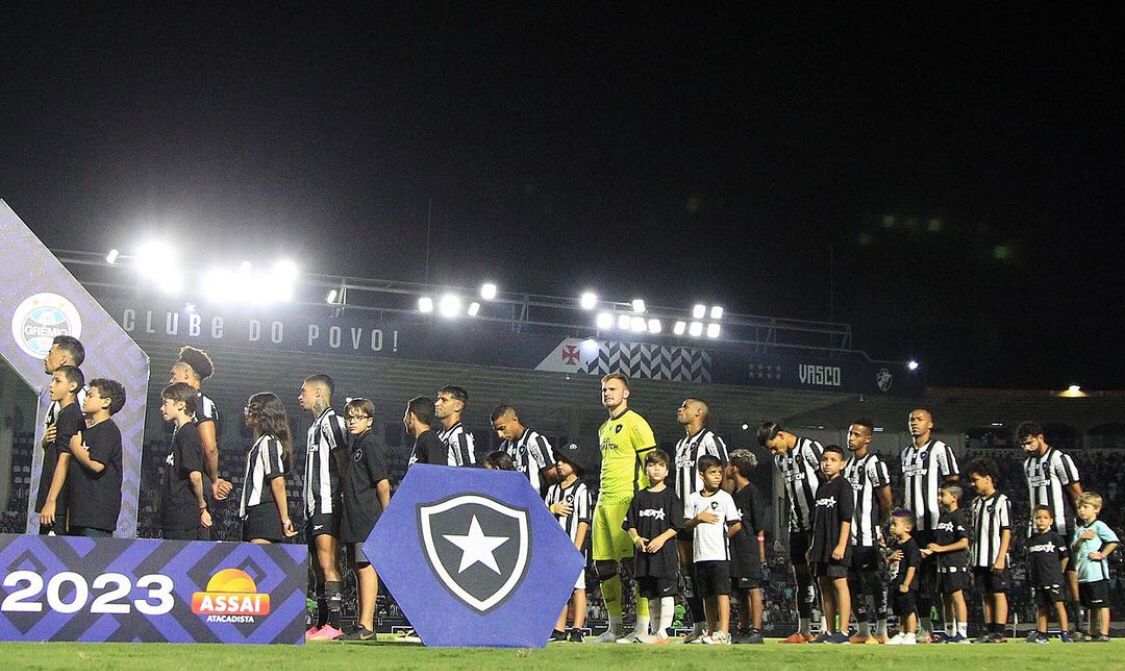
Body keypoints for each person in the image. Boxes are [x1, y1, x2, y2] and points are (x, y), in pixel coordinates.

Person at [591, 373, 656, 643]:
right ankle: (614, 626)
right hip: (603, 503)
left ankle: (642, 628)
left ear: (626, 393)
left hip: (627, 501)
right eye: (604, 389)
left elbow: (652, 465)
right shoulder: (603, 428)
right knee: (603, 565)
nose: (607, 393)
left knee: (634, 566)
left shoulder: (636, 423)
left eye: (613, 389)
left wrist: (647, 503)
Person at [757, 420, 824, 643]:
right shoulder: (780, 460)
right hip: (797, 525)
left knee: (822, 577)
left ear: (782, 434)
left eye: (774, 446)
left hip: (819, 525)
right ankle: (803, 629)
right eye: (770, 450)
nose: (774, 452)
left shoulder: (810, 449)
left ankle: (826, 629)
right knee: (802, 578)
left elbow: (828, 481)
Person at [1018, 421, 1083, 636]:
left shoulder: (1059, 459)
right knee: (1039, 576)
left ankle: (1077, 624)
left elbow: (1075, 491)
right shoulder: (1028, 464)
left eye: (1029, 443)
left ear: (1040, 437)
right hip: (1037, 529)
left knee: (1070, 574)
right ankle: (1041, 629)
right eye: (1023, 445)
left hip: (1063, 527)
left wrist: (1081, 520)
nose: (1026, 448)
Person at [901, 409, 960, 641]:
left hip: (935, 526)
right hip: (913, 529)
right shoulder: (906, 453)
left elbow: (954, 481)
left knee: (941, 579)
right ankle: (925, 628)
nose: (914, 423)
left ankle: (954, 628)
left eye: (919, 419)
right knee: (917, 578)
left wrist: (946, 512)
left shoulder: (940, 449)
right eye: (911, 420)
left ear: (930, 424)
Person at [297, 374, 348, 641]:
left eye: (303, 391)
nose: (300, 397)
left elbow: (343, 461)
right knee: (317, 567)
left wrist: (343, 498)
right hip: (313, 505)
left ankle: (335, 625)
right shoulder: (313, 428)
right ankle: (321, 622)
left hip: (328, 503)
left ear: (319, 393)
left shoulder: (333, 422)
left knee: (328, 561)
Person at [673, 398, 728, 642]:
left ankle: (719, 629)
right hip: (684, 518)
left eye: (684, 406)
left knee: (709, 573)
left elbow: (723, 473)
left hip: (707, 518)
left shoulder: (710, 440)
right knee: (688, 573)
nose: (680, 409)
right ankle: (699, 625)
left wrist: (720, 509)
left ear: (698, 412)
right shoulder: (680, 445)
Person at [338, 398, 391, 641]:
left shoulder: (370, 444)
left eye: (358, 417)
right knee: (358, 569)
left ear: (369, 420)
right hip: (353, 515)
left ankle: (367, 626)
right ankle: (362, 624)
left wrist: (387, 515)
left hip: (366, 516)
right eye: (350, 417)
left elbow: (381, 482)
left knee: (365, 567)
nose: (352, 421)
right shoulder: (356, 444)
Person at [622, 450, 681, 645]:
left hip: (664, 554)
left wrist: (661, 539)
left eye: (660, 466)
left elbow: (676, 525)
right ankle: (655, 632)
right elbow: (629, 524)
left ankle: (663, 631)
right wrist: (636, 539)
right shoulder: (639, 497)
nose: (656, 469)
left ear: (667, 471)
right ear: (645, 469)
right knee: (650, 595)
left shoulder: (671, 496)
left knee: (666, 592)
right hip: (644, 555)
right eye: (652, 465)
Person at [683, 454, 741, 645]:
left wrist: (723, 537)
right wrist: (698, 519)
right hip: (700, 555)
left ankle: (724, 632)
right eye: (712, 473)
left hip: (719, 555)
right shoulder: (693, 499)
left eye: (719, 473)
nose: (717, 476)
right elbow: (686, 525)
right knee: (706, 595)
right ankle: (710, 630)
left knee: (722, 593)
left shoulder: (725, 498)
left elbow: (736, 524)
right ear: (701, 474)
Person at [843, 419, 892, 644]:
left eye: (856, 434)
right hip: (848, 538)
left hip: (867, 535)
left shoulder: (874, 464)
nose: (851, 438)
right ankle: (863, 630)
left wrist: (877, 527)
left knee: (872, 582)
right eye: (850, 433)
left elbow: (886, 501)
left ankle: (882, 629)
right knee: (852, 582)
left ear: (868, 438)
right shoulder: (849, 465)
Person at [171, 346, 232, 501]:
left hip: (193, 486)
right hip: (184, 484)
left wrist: (214, 480)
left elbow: (210, 448)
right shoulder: (187, 406)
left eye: (173, 375)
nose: (171, 380)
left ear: (186, 374)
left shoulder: (201, 403)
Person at [65, 379, 125, 537]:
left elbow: (97, 464)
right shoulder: (85, 431)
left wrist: (76, 447)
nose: (85, 399)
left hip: (96, 517)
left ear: (106, 402)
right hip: (79, 514)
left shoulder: (108, 430)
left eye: (90, 395)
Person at [807, 444, 853, 645]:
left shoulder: (844, 486)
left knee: (839, 584)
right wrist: (813, 546)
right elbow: (817, 521)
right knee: (823, 585)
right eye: (825, 459)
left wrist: (841, 545)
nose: (827, 463)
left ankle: (843, 631)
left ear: (842, 464)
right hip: (821, 545)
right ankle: (829, 630)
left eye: (833, 460)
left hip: (836, 543)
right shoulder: (821, 488)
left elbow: (846, 518)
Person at [239, 393, 297, 544]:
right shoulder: (263, 442)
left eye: (250, 407)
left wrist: (285, 519)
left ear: (260, 414)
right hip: (256, 513)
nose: (246, 412)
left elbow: (277, 480)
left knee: (257, 563)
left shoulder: (268, 442)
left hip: (263, 513)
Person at [545, 455, 592, 643]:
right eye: (558, 461)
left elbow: (583, 521)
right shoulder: (552, 490)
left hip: (573, 547)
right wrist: (552, 508)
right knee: (558, 588)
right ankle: (559, 628)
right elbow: (543, 515)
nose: (559, 464)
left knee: (578, 586)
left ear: (575, 464)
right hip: (555, 547)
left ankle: (578, 628)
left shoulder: (581, 490)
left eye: (564, 461)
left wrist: (576, 549)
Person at [967, 457, 1012, 643]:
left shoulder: (1002, 501)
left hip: (995, 556)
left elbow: (1006, 531)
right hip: (979, 557)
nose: (972, 483)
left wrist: (1001, 557)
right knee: (985, 594)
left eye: (975, 479)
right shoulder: (976, 503)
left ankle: (1000, 632)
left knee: (998, 593)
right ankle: (989, 630)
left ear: (987, 478)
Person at [159, 382, 211, 540]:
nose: (162, 408)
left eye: (165, 403)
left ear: (181, 404)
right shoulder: (180, 433)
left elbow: (195, 476)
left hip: (183, 516)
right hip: (174, 514)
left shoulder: (187, 433)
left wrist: (202, 507)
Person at [37, 365, 83, 534]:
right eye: (52, 380)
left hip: (59, 502)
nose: (51, 385)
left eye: (57, 381)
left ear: (72, 386)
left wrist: (51, 501)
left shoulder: (71, 414)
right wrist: (45, 441)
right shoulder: (63, 414)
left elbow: (64, 459)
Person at [726, 449, 766, 644]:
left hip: (749, 548)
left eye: (728, 464)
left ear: (734, 468)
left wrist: (762, 556)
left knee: (753, 589)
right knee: (741, 591)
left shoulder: (752, 492)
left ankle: (757, 630)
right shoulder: (734, 493)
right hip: (735, 548)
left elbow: (759, 528)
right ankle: (743, 629)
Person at [924, 483, 971, 643]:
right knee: (945, 598)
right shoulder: (943, 516)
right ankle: (949, 632)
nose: (939, 498)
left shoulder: (958, 516)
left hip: (955, 563)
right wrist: (931, 550)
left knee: (957, 596)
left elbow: (964, 542)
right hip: (942, 564)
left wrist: (941, 549)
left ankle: (962, 633)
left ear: (953, 498)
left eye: (942, 494)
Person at [1071, 492, 1118, 642]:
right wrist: (1080, 539)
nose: (1082, 510)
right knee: (1091, 605)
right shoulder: (1080, 529)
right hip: (1083, 574)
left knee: (1102, 604)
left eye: (1085, 507)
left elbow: (1113, 541)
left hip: (1096, 573)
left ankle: (1104, 632)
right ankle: (1092, 633)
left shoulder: (1098, 526)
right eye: (1080, 507)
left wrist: (1102, 555)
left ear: (1096, 509)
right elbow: (1074, 548)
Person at [1025, 505, 1071, 644]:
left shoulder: (1055, 538)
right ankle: (1042, 634)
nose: (1041, 521)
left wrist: (1059, 572)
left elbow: (1065, 556)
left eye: (1045, 518)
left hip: (1053, 578)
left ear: (1051, 521)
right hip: (1038, 579)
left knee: (1058, 605)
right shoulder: (1031, 539)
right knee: (1042, 607)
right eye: (1038, 518)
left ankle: (1065, 633)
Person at [492, 404, 556, 491]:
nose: (500, 435)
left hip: (532, 501)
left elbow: (551, 474)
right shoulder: (504, 447)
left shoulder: (534, 440)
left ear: (515, 420)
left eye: (502, 428)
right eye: (497, 430)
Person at [41, 335, 85, 459]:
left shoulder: (81, 398)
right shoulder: (57, 398)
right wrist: (44, 442)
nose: (45, 358)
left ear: (63, 359)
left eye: (50, 353)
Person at [886, 509, 921, 645]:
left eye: (895, 524)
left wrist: (906, 583)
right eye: (891, 525)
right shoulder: (896, 544)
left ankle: (911, 633)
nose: (892, 528)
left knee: (909, 608)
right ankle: (901, 633)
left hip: (907, 582)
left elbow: (913, 565)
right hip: (896, 580)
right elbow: (893, 560)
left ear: (907, 527)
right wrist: (890, 558)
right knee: (900, 609)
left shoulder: (911, 545)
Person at [435, 385, 476, 466]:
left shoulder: (459, 435)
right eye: (438, 399)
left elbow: (468, 470)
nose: (437, 403)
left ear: (458, 406)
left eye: (444, 400)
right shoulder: (439, 434)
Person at [405, 397, 446, 467]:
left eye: (406, 415)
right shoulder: (424, 440)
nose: (404, 419)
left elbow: (437, 473)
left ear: (412, 416)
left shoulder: (430, 440)